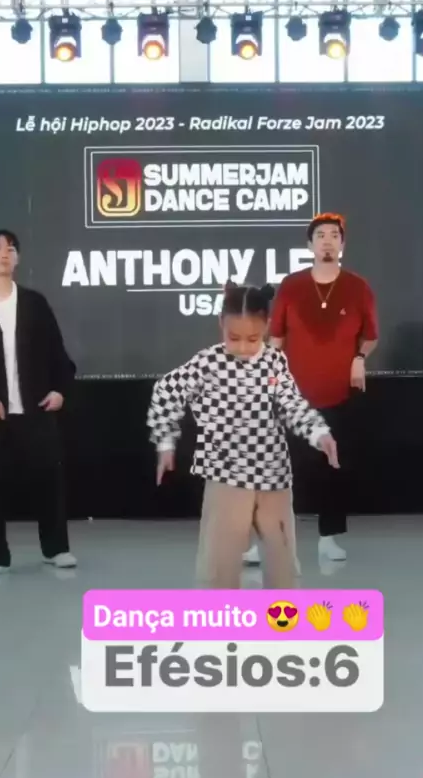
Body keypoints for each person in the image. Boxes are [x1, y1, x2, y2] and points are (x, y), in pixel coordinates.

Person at [147, 281, 339, 589]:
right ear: (221, 324)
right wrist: (166, 441)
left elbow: (291, 403)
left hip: (273, 475)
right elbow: (166, 390)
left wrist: (318, 432)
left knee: (282, 559)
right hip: (226, 475)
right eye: (233, 338)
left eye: (253, 339)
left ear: (267, 326)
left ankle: (282, 614)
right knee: (220, 562)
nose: (244, 348)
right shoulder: (208, 363)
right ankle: (223, 615)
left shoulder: (275, 361)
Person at [243, 213, 378, 566]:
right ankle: (266, 541)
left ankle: (328, 539)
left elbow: (370, 335)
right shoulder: (292, 286)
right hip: (292, 395)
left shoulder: (358, 287)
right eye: (320, 235)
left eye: (334, 235)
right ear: (310, 244)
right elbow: (276, 339)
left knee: (332, 469)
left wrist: (359, 358)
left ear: (342, 244)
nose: (327, 240)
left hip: (339, 394)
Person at [0, 229, 77, 580]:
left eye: (11, 249)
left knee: (49, 478)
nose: (4, 254)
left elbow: (58, 354)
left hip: (35, 408)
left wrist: (60, 390)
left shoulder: (34, 303)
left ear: (18, 258)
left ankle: (56, 548)